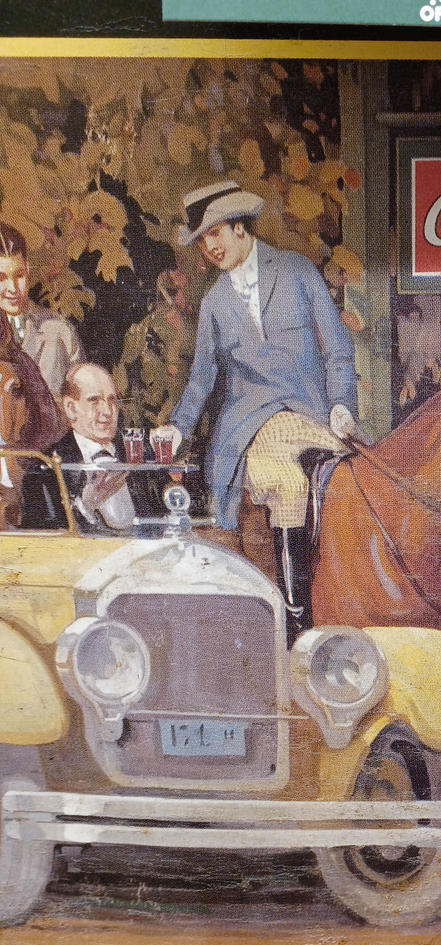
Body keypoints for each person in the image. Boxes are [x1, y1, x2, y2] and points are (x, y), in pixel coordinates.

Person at [163, 179, 360, 638]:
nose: (209, 247)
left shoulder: (295, 270)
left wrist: (341, 404)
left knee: (358, 477)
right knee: (286, 484)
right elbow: (201, 380)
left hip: (311, 416)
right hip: (251, 427)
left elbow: (337, 348)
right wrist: (178, 428)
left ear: (239, 226)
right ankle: (296, 620)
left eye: (215, 233)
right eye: (202, 240)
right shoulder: (214, 303)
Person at [20, 363, 157, 533]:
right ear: (71, 408)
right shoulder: (43, 471)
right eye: (94, 400)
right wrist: (85, 507)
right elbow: (45, 542)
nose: (107, 411)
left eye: (112, 400)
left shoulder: (141, 453)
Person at [0, 222, 83, 397]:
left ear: (28, 270)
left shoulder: (60, 330)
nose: (13, 288)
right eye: (1, 278)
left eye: (19, 275)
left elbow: (82, 402)